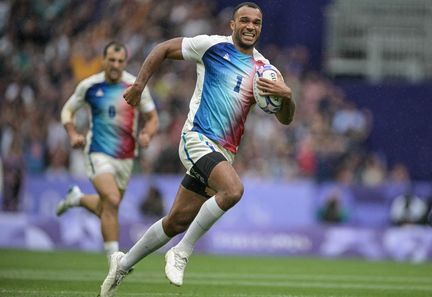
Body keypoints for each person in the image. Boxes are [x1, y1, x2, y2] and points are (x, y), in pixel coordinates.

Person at [98, 3, 295, 296]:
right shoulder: (212, 47)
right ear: (232, 24)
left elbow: (285, 118)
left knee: (176, 220)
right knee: (233, 190)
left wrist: (287, 96)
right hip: (197, 138)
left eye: (256, 22)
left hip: (223, 152)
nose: (250, 26)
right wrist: (139, 85)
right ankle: (181, 253)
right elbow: (163, 48)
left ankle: (123, 264)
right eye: (244, 20)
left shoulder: (265, 70)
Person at [56, 41, 159, 260]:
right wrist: (73, 134)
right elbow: (68, 110)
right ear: (103, 60)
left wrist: (147, 134)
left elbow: (152, 118)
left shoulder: (135, 86)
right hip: (97, 151)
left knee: (108, 208)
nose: (115, 64)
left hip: (126, 157)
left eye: (120, 61)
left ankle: (78, 199)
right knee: (111, 200)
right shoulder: (89, 86)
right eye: (111, 60)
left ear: (125, 62)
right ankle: (115, 261)